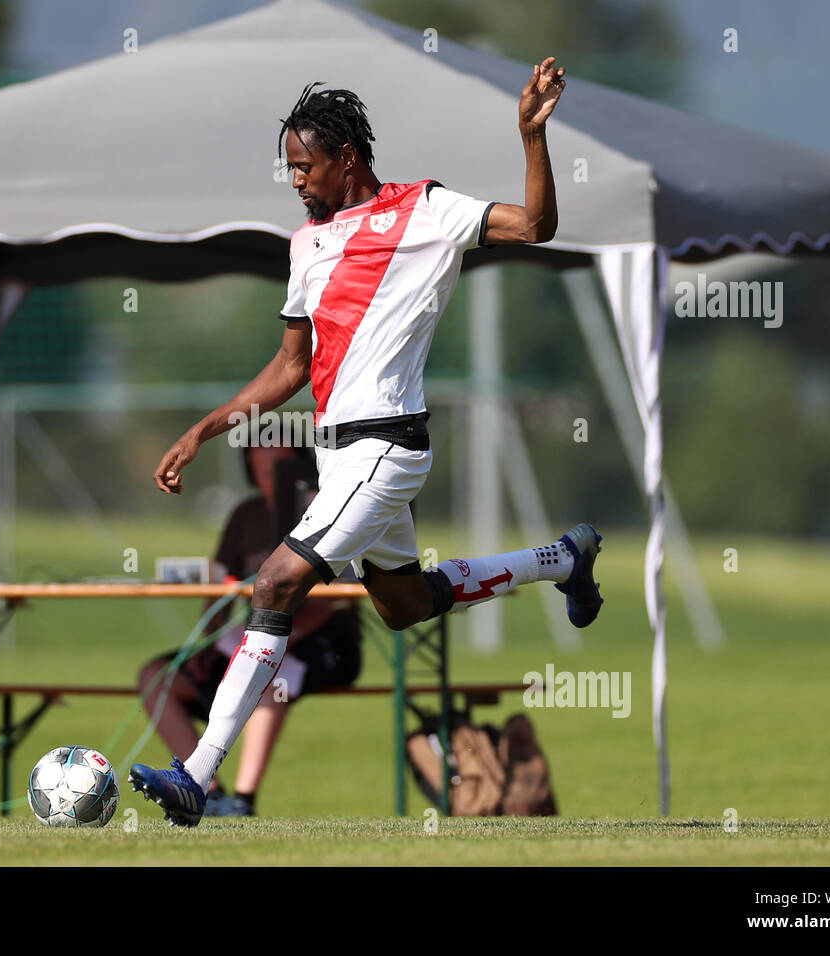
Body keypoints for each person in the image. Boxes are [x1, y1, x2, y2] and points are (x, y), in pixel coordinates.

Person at [132, 58, 603, 827]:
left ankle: (198, 777)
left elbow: (537, 225)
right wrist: (205, 428)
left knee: (277, 583)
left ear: (346, 159)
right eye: (288, 167)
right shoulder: (306, 246)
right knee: (403, 603)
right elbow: (290, 366)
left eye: (304, 166)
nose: (294, 180)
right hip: (340, 459)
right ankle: (561, 558)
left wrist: (530, 137)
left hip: (388, 447)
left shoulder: (426, 209)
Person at [136, 443, 361, 817]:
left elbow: (345, 595)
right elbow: (218, 585)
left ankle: (242, 802)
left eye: (279, 470)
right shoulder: (247, 515)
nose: (270, 479)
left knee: (274, 678)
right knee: (156, 676)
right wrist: (211, 641)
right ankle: (207, 793)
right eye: (261, 470)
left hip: (321, 645)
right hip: (252, 638)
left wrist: (281, 641)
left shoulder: (324, 511)